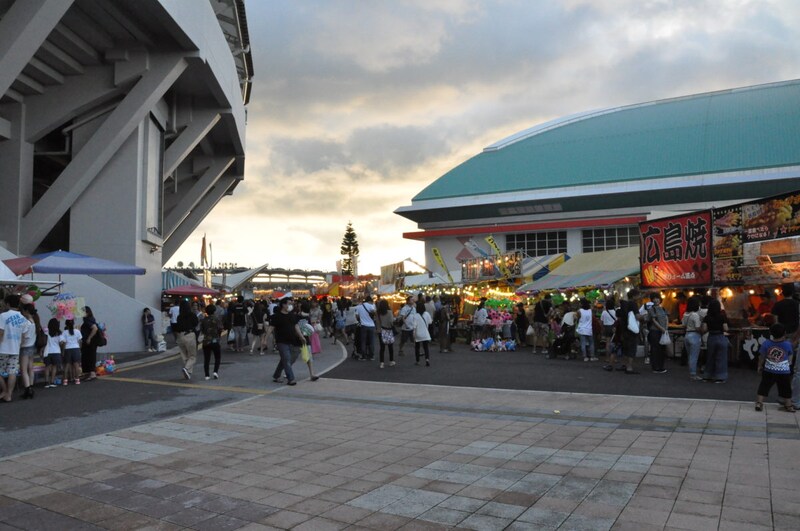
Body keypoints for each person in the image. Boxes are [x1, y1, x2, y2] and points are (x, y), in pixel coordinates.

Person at [753, 322, 794, 412]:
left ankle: (759, 403)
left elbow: (761, 356)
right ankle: (789, 405)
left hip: (769, 370)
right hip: (784, 371)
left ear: (771, 333)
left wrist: (759, 366)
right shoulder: (787, 344)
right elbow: (790, 355)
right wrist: (789, 363)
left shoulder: (766, 343)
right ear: (785, 333)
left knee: (764, 386)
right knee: (786, 388)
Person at [0, 295, 34, 401]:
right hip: (15, 349)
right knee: (12, 372)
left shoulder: (3, 316)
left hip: (3, 348)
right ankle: (9, 395)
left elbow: (1, 333)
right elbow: (24, 336)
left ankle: (5, 390)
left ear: (8, 304)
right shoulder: (22, 318)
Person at [272, 297, 306, 386]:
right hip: (281, 341)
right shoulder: (277, 316)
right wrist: (264, 340)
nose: (290, 306)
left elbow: (296, 326)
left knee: (284, 359)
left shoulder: (292, 315)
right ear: (283, 305)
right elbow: (271, 327)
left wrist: (301, 336)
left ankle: (276, 375)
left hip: (291, 340)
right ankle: (291, 379)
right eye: (288, 304)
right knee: (286, 359)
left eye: (291, 304)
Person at [701, 299, 729, 383]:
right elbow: (725, 328)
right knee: (721, 358)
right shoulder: (722, 316)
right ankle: (720, 377)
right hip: (720, 337)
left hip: (711, 337)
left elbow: (704, 329)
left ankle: (707, 376)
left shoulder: (707, 317)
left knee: (710, 357)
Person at [19, 303, 39, 398]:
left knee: (23, 369)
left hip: (25, 347)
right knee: (31, 368)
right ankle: (31, 386)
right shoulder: (34, 322)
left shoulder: (26, 323)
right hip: (32, 347)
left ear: (26, 311)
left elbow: (23, 337)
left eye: (23, 310)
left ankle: (27, 389)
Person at [174, 300, 198, 379]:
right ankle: (186, 368)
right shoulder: (192, 315)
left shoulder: (179, 316)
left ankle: (188, 372)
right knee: (192, 356)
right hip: (189, 335)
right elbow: (196, 323)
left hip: (180, 336)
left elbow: (177, 327)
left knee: (184, 356)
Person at [645, 293, 669, 374]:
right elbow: (654, 321)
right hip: (654, 332)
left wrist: (666, 327)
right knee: (655, 349)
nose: (656, 300)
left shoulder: (663, 308)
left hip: (663, 331)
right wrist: (662, 328)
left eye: (657, 298)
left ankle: (661, 366)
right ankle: (655, 367)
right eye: (654, 298)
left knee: (662, 349)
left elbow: (666, 318)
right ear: (652, 300)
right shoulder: (651, 309)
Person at [620, 290, 642, 374]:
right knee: (632, 349)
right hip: (632, 330)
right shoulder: (633, 304)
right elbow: (637, 316)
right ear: (634, 296)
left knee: (626, 348)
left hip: (625, 329)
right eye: (638, 295)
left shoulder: (624, 304)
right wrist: (644, 316)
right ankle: (629, 367)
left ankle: (625, 365)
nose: (639, 297)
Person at [682, 296, 703, 381]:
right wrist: (703, 331)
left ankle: (691, 373)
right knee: (694, 356)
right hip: (694, 335)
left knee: (690, 355)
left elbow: (683, 325)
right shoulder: (695, 315)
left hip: (687, 335)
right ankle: (693, 374)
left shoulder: (685, 314)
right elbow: (698, 328)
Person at [200, 304, 222, 380]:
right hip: (215, 340)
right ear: (214, 311)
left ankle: (207, 375)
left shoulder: (203, 320)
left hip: (206, 341)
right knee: (217, 357)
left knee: (206, 359)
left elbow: (202, 330)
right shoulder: (217, 319)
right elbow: (220, 329)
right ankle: (215, 371)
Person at [354, 295, 377, 361]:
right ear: (370, 301)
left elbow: (357, 317)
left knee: (363, 341)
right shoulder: (371, 306)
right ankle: (371, 356)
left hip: (363, 326)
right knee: (371, 341)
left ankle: (363, 356)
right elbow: (375, 313)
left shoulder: (359, 307)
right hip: (371, 325)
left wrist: (361, 319)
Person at [43, 318, 64, 388]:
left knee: (47, 367)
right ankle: (52, 382)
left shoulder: (46, 331)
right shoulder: (59, 333)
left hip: (47, 351)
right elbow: (61, 343)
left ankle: (46, 382)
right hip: (56, 352)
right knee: (54, 367)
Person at [80, 306, 100, 381]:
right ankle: (88, 373)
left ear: (87, 312)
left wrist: (89, 338)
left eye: (82, 312)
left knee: (90, 356)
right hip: (90, 342)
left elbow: (95, 328)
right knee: (87, 357)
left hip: (90, 342)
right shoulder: (89, 319)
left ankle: (92, 373)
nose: (81, 313)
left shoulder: (88, 320)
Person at [61, 318, 83, 386]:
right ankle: (77, 380)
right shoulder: (77, 331)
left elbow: (63, 343)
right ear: (73, 323)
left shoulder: (64, 332)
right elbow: (80, 341)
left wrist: (63, 351)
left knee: (66, 365)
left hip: (67, 349)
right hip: (76, 349)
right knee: (76, 365)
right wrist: (79, 349)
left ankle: (65, 381)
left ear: (66, 324)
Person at [411, 300, 433, 366]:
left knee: (417, 347)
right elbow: (430, 322)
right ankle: (427, 359)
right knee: (425, 347)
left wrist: (413, 334)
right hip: (425, 333)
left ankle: (417, 361)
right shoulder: (427, 314)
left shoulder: (415, 315)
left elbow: (414, 326)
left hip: (418, 333)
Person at [576, 298, 597, 362]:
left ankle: (585, 357)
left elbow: (577, 318)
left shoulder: (579, 311)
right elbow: (594, 314)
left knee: (583, 343)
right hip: (589, 329)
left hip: (582, 329)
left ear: (581, 304)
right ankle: (592, 356)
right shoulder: (591, 311)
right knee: (591, 343)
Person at [376, 298, 395, 368]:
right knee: (390, 347)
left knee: (382, 348)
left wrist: (378, 330)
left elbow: (377, 322)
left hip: (381, 331)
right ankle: (391, 361)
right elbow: (391, 321)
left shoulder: (378, 313)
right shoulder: (389, 312)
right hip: (389, 330)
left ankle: (382, 363)